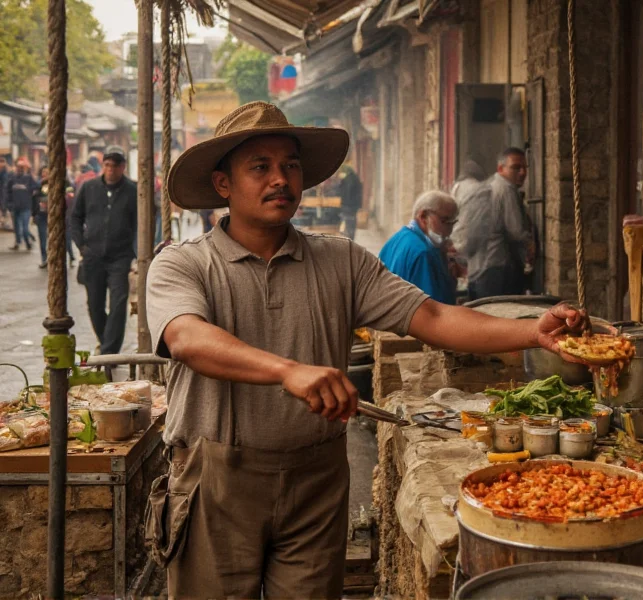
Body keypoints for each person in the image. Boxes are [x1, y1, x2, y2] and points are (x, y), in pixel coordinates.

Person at [143, 101, 586, 599]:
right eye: (260, 167)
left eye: (290, 165)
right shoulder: (184, 264)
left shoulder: (339, 259)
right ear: (223, 184)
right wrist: (287, 371)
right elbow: (186, 338)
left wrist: (533, 332)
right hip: (217, 480)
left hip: (316, 479)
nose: (280, 180)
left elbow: (435, 317)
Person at [71, 146, 137, 355]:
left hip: (120, 256)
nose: (110, 169)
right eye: (107, 165)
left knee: (118, 305)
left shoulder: (133, 190)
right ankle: (107, 343)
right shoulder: (89, 188)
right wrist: (82, 245)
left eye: (115, 165)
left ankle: (109, 353)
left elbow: (142, 222)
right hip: (93, 255)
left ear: (122, 167)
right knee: (95, 306)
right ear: (103, 166)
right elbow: (75, 217)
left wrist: (135, 252)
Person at [456, 147, 536, 300]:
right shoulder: (506, 188)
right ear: (501, 168)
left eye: (525, 168)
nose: (522, 173)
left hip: (479, 269)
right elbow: (517, 231)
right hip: (499, 270)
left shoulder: (488, 185)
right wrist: (531, 245)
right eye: (516, 168)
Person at [378, 191, 459, 304]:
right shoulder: (423, 254)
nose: (449, 230)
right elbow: (432, 309)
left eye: (453, 223)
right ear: (423, 217)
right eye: (445, 221)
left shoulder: (397, 239)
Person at [32, 166, 77, 268]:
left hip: (61, 215)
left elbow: (71, 195)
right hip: (43, 214)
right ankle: (45, 259)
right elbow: (40, 196)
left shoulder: (65, 182)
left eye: (47, 172)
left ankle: (70, 256)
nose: (45, 174)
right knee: (43, 238)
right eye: (43, 172)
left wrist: (64, 197)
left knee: (65, 238)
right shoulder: (42, 184)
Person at [7, 158, 38, 251]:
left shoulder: (28, 178)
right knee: (16, 227)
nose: (19, 169)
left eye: (21, 167)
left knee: (25, 228)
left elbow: (36, 186)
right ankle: (17, 242)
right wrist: (9, 205)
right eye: (18, 167)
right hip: (15, 207)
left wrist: (27, 188)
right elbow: (7, 192)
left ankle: (28, 242)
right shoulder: (12, 178)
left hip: (25, 207)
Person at [337, 162, 362, 239]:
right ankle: (350, 237)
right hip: (353, 206)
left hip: (348, 206)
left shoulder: (349, 179)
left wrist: (344, 204)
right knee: (351, 223)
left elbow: (347, 193)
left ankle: (349, 238)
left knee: (347, 222)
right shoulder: (354, 177)